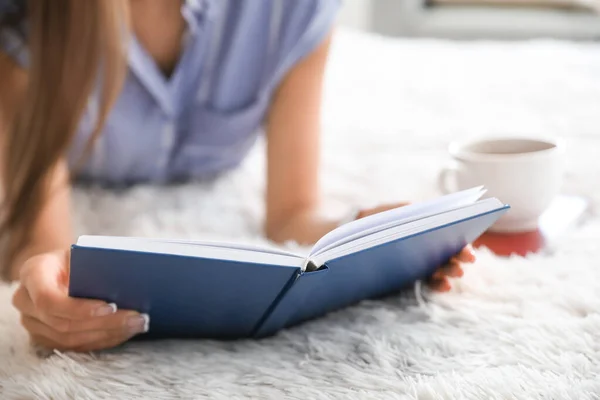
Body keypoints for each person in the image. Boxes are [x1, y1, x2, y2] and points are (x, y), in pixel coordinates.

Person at [0, 0, 474, 352]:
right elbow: (44, 245)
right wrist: (47, 290)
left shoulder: (291, 11)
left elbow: (293, 214)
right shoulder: (24, 23)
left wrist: (367, 231)